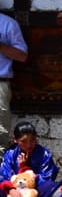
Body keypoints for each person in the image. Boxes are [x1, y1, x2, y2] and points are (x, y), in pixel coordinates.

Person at [1, 121, 58, 197]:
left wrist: (24, 168)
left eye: (32, 140)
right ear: (15, 139)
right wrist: (11, 190)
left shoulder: (44, 154)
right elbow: (4, 177)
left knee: (51, 186)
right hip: (13, 192)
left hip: (35, 192)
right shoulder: (10, 154)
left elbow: (48, 177)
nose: (28, 145)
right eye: (23, 141)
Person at [0, 12, 28, 144]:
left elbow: (22, 56)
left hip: (0, 86)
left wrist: (1, 46)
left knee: (0, 135)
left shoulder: (7, 24)